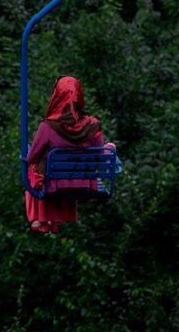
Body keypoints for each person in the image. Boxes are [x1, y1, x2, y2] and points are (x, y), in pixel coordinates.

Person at [24, 76, 115, 233]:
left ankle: (42, 217)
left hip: (55, 185)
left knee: (36, 169)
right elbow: (100, 157)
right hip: (84, 183)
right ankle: (53, 218)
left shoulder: (47, 127)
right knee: (64, 171)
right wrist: (110, 148)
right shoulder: (93, 125)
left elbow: (32, 157)